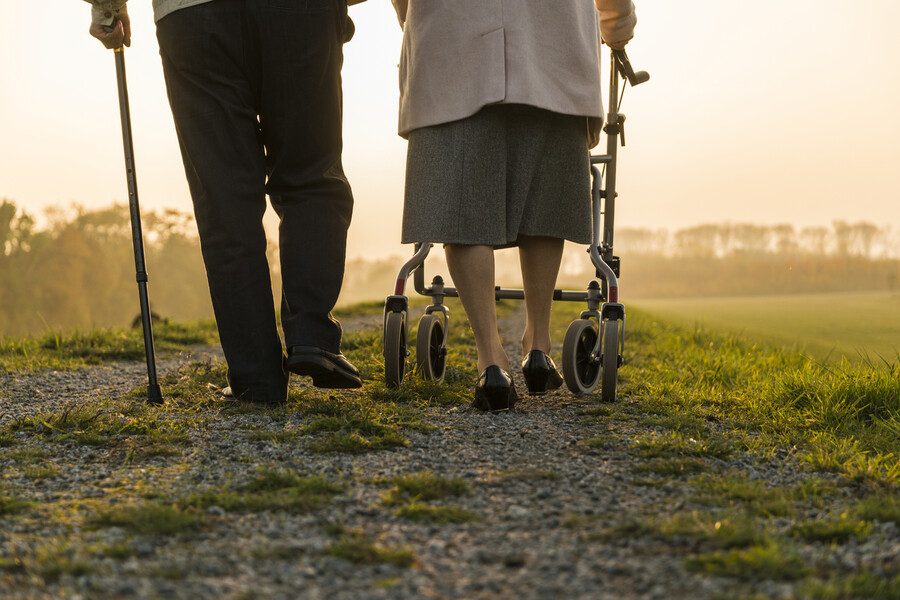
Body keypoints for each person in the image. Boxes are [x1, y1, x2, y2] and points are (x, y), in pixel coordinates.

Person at [85, 0, 365, 405]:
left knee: (224, 197)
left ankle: (256, 378)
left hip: (191, 15)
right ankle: (312, 338)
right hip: (302, 13)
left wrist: (106, 7)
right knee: (311, 174)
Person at [391, 0, 637, 411]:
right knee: (544, 196)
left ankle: (490, 360)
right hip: (550, 40)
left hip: (453, 36)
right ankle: (538, 345)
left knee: (463, 204)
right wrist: (617, 27)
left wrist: (413, 16)